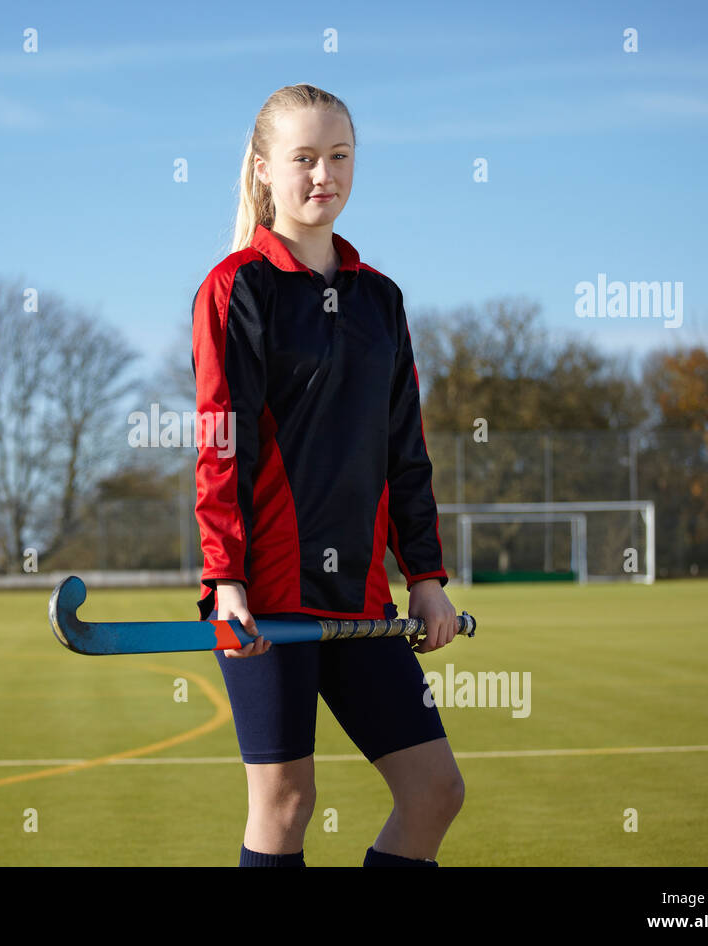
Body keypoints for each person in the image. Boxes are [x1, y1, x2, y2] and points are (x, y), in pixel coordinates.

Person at [191, 84, 465, 867]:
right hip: (268, 597)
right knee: (285, 804)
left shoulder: (381, 299)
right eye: (304, 157)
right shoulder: (237, 288)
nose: (324, 174)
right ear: (263, 170)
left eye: (339, 156)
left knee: (434, 790)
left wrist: (426, 576)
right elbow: (221, 445)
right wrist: (227, 580)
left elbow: (404, 448)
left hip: (360, 602)